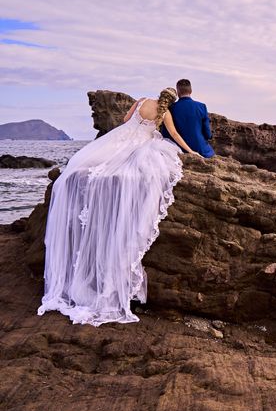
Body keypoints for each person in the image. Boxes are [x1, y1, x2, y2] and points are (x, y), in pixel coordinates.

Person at [37, 87, 197, 326]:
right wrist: (189, 150)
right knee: (132, 168)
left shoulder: (142, 100)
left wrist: (136, 124)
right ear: (171, 101)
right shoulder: (165, 113)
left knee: (94, 165)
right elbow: (173, 134)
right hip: (139, 145)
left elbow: (124, 120)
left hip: (119, 138)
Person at [161, 78, 215, 158]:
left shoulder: (171, 108)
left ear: (178, 92)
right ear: (191, 91)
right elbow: (207, 131)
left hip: (177, 147)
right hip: (199, 148)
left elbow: (165, 132)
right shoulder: (201, 106)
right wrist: (208, 137)